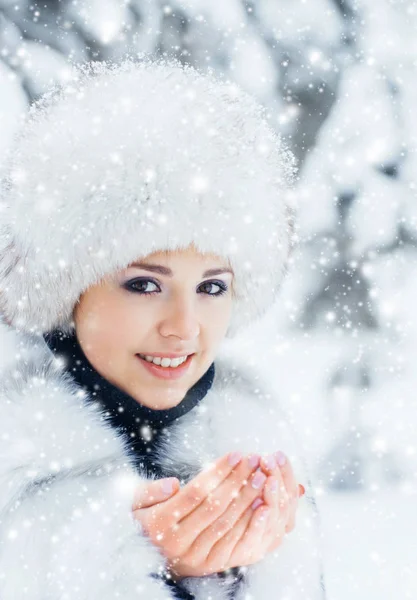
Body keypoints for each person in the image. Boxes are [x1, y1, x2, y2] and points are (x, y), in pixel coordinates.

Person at [0, 58, 326, 599]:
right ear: (69, 288)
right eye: (145, 285)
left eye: (212, 287)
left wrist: (223, 572)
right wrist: (123, 557)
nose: (184, 328)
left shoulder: (252, 443)